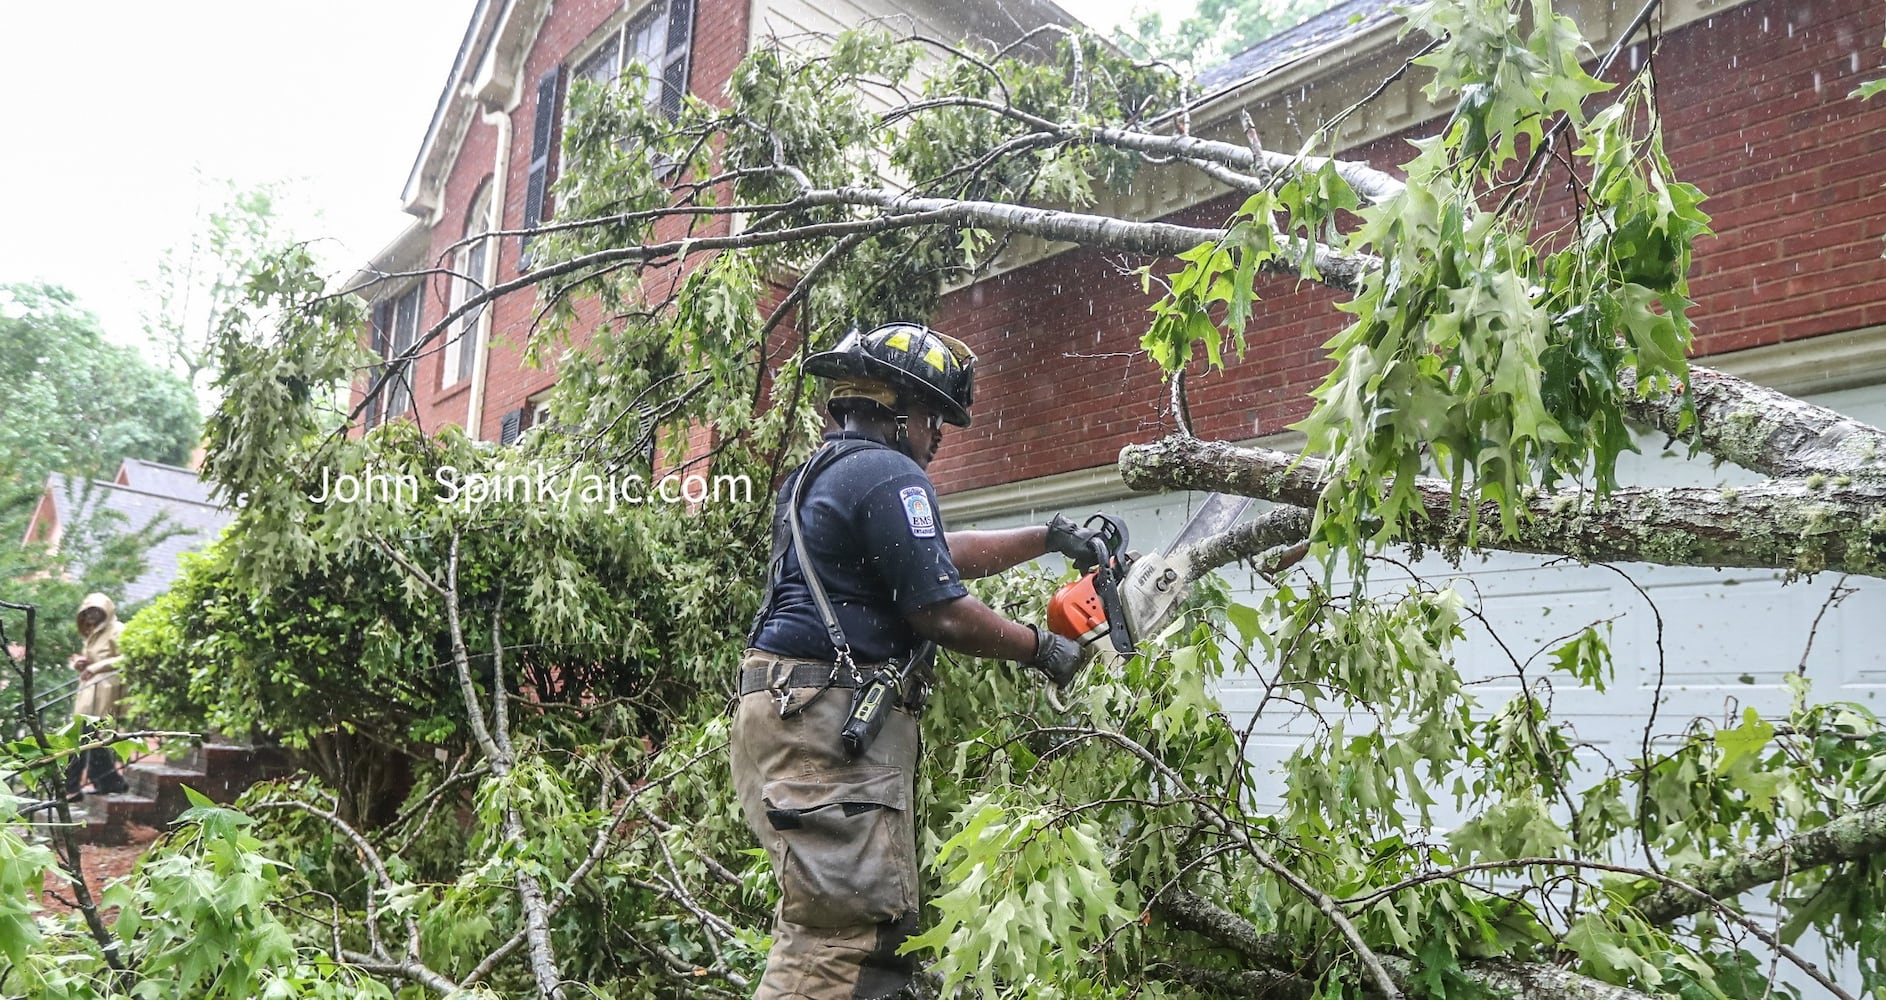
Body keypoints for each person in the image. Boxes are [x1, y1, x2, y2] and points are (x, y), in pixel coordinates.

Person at [731, 322, 1103, 1000]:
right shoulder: (887, 472)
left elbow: (934, 553)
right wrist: (1044, 649)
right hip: (822, 722)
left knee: (864, 941)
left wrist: (1047, 537)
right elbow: (940, 610)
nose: (938, 438)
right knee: (843, 942)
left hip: (783, 714)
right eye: (935, 417)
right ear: (898, 409)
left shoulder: (824, 473)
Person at [65, 592, 129, 797]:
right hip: (89, 690)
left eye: (96, 611)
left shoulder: (117, 630)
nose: (91, 615)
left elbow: (125, 658)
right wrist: (82, 664)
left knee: (87, 736)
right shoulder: (93, 633)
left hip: (106, 690)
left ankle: (72, 786)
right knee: (87, 737)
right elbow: (93, 661)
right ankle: (109, 782)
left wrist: (97, 667)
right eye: (88, 611)